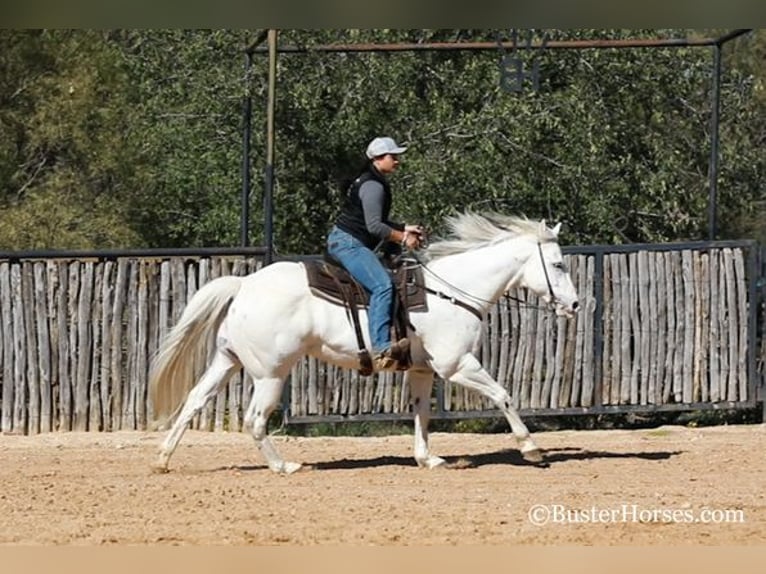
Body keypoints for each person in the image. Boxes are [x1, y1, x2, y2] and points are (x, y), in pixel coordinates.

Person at [327, 136, 425, 371]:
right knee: (383, 286)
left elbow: (374, 221)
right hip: (349, 245)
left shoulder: (370, 180)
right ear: (379, 158)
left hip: (346, 240)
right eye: (393, 156)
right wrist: (403, 237)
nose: (397, 160)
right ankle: (381, 348)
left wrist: (403, 226)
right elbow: (374, 227)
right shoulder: (373, 185)